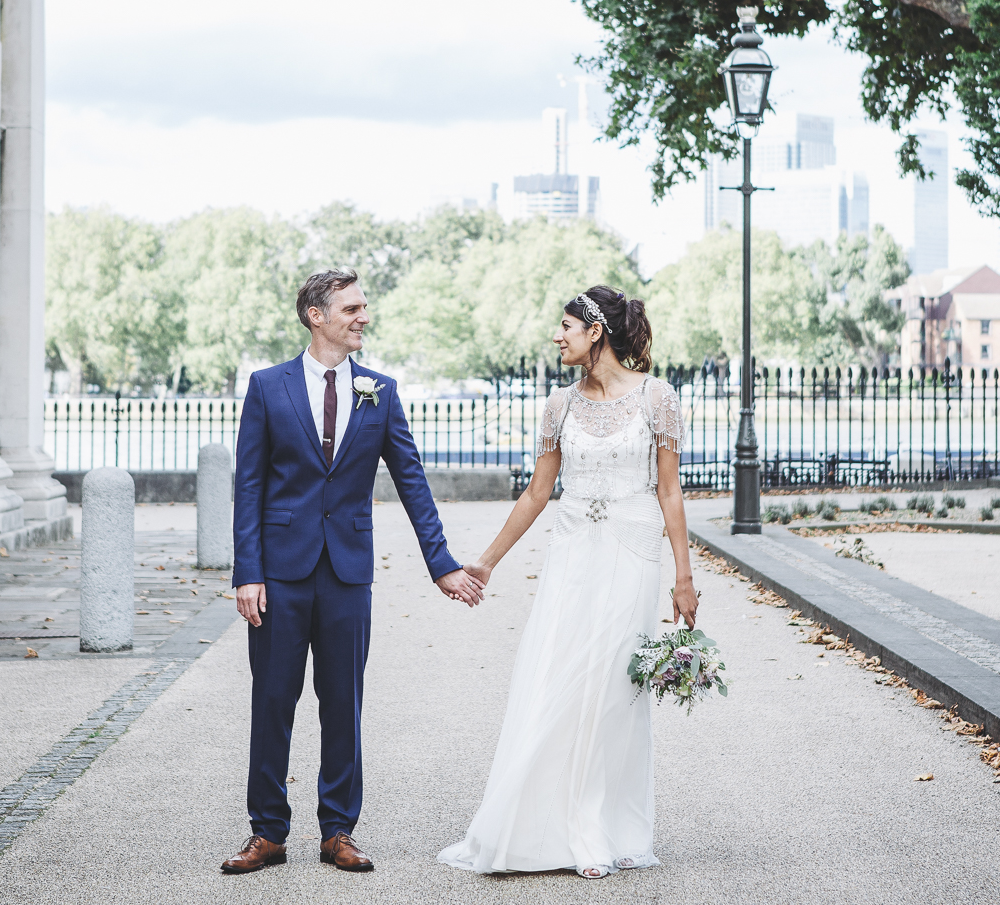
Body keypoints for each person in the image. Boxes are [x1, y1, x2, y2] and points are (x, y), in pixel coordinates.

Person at [223, 268, 485, 875]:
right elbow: (250, 487)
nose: (363, 316)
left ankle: (338, 830)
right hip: (281, 574)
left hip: (347, 573)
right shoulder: (267, 387)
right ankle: (267, 832)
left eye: (363, 307)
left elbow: (411, 479)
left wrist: (440, 563)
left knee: (343, 701)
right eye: (351, 308)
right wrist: (247, 572)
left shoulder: (380, 390)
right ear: (317, 315)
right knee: (272, 701)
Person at [441, 285, 695, 879]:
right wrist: (486, 561)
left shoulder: (658, 399)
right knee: (554, 676)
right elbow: (537, 493)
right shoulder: (559, 405)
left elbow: (670, 491)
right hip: (573, 554)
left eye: (566, 327)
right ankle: (548, 823)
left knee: (613, 690)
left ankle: (603, 825)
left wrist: (685, 576)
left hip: (633, 555)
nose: (557, 337)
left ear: (596, 331)